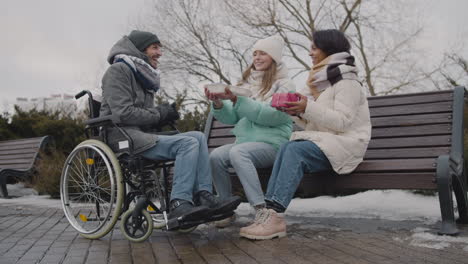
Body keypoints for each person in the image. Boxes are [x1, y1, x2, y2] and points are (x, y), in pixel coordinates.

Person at [239, 29, 372, 240]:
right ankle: (269, 215)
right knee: (288, 147)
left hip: (346, 144)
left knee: (296, 151)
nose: (310, 53)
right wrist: (297, 111)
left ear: (328, 49)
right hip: (328, 142)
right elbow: (317, 121)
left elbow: (342, 122)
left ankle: (275, 217)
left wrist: (307, 106)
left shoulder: (347, 81)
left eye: (314, 48)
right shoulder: (321, 81)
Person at [99, 30, 240, 225]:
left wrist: (162, 114)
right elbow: (123, 113)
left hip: (141, 135)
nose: (160, 53)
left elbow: (144, 115)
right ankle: (179, 202)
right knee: (187, 144)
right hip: (123, 138)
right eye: (154, 48)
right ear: (140, 50)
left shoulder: (142, 75)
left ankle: (203, 194)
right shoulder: (118, 71)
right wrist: (159, 114)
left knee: (198, 137)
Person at [205, 35, 295, 230]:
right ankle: (226, 209)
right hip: (246, 143)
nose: (257, 57)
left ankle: (261, 210)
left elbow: (274, 117)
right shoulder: (247, 84)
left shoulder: (285, 84)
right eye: (254, 53)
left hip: (274, 144)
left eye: (262, 53)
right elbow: (232, 117)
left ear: (274, 57)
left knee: (239, 152)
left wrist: (239, 101)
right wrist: (218, 102)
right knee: (216, 157)